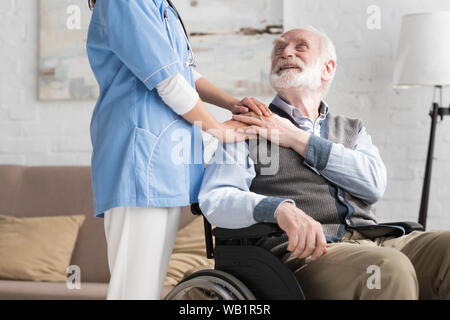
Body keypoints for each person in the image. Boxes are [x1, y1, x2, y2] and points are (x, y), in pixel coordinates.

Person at [198, 27, 450, 299]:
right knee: (388, 269)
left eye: (300, 46)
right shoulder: (247, 126)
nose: (286, 52)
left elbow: (373, 185)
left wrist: (296, 137)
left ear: (327, 68)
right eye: (279, 48)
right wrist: (279, 209)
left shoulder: (352, 129)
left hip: (376, 240)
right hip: (305, 254)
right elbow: (216, 198)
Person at [86, 0, 271, 300]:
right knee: (133, 292)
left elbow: (183, 73)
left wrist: (231, 103)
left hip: (163, 165)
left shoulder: (160, 6)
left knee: (147, 289)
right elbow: (167, 80)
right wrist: (218, 129)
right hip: (139, 160)